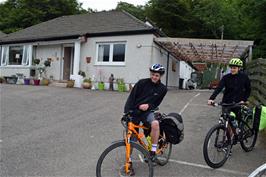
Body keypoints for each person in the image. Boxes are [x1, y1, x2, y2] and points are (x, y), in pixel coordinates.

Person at [124, 63, 167, 161]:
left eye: (156, 75)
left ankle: (153, 151)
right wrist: (126, 112)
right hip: (134, 112)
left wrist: (148, 106)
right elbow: (131, 98)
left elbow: (156, 104)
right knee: (131, 137)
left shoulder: (163, 89)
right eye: (152, 74)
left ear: (160, 76)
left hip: (147, 112)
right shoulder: (141, 83)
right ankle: (128, 160)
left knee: (155, 124)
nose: (154, 77)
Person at [208, 58, 251, 141]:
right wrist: (211, 98)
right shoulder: (226, 77)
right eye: (231, 67)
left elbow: (248, 90)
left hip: (238, 103)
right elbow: (219, 88)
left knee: (236, 122)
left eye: (234, 68)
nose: (232, 69)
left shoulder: (244, 77)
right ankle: (228, 142)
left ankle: (238, 133)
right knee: (227, 123)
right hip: (226, 103)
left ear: (239, 68)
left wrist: (244, 100)